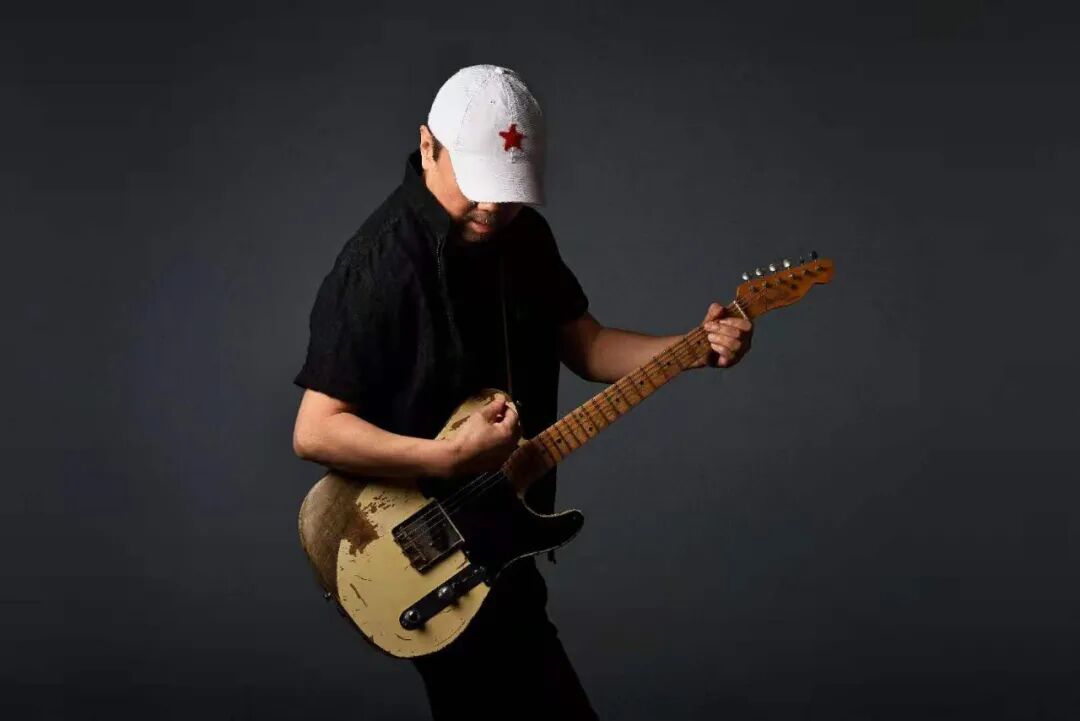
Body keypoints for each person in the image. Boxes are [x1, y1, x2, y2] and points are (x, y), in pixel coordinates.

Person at [291, 64, 753, 720]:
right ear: (428, 147)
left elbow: (588, 346)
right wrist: (448, 458)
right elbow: (315, 429)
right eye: (477, 185)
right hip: (422, 549)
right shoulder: (378, 265)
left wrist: (694, 347)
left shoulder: (523, 236)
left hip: (502, 535)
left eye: (507, 192)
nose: (491, 208)